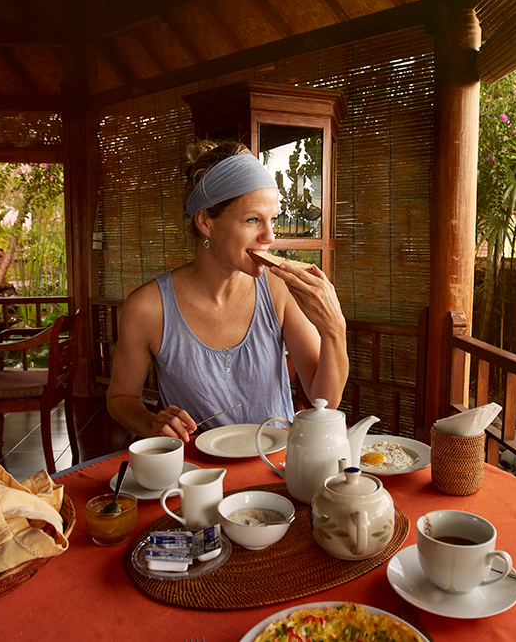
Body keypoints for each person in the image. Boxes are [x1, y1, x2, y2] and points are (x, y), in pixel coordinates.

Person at [106, 140, 348, 442]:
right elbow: (120, 399)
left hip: (276, 466)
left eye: (272, 219)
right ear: (206, 222)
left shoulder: (278, 291)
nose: (269, 237)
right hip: (197, 477)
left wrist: (334, 329)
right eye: (252, 220)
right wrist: (153, 422)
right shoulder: (147, 307)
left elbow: (322, 400)